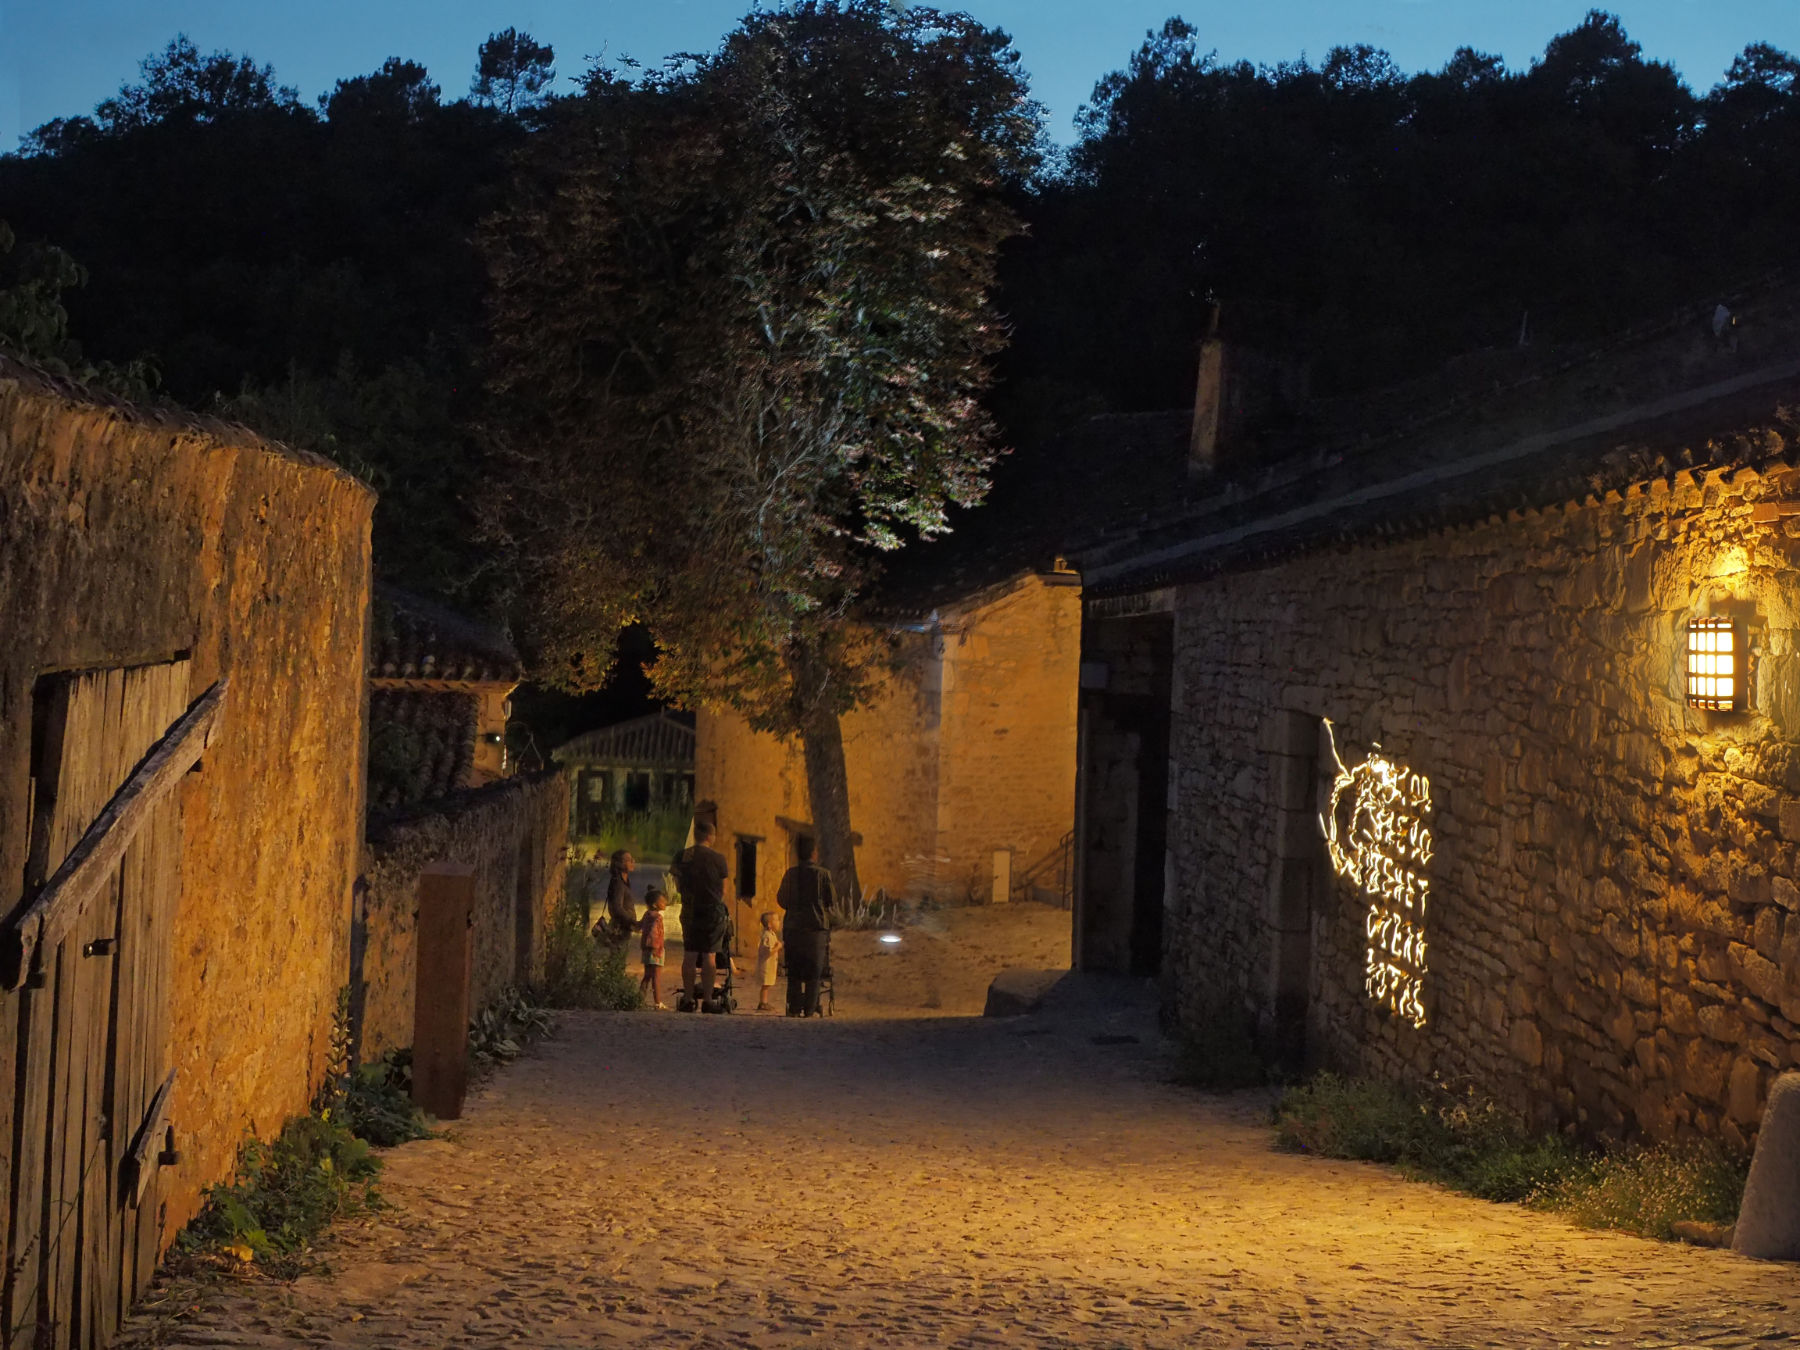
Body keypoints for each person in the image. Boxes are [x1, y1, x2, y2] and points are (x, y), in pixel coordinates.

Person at [671, 821, 730, 1008]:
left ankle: (688, 998)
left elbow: (677, 884)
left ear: (696, 835)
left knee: (689, 955)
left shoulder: (683, 856)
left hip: (690, 909)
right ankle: (707, 999)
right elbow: (724, 890)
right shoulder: (718, 858)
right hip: (712, 911)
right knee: (709, 956)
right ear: (710, 836)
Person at [776, 838, 834, 1017]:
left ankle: (794, 1007)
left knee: (794, 971)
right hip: (815, 929)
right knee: (814, 972)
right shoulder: (823, 875)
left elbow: (782, 900)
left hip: (793, 928)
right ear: (813, 853)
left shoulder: (790, 874)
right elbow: (831, 900)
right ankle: (810, 1008)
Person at [596, 849, 637, 947]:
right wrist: (631, 921)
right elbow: (617, 907)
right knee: (617, 955)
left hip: (625, 926)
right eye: (629, 860)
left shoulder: (624, 881)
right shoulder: (618, 883)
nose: (633, 861)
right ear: (619, 864)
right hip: (620, 927)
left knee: (618, 955)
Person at [639, 889, 668, 1009]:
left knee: (647, 976)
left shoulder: (647, 915)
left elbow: (639, 925)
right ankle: (658, 1002)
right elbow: (654, 934)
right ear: (655, 904)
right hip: (656, 950)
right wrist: (656, 949)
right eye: (662, 901)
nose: (665, 903)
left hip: (646, 950)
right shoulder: (657, 917)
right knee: (656, 976)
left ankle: (639, 999)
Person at [754, 911, 783, 1012]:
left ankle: (764, 1002)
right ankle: (763, 1002)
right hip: (766, 966)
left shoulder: (772, 934)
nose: (779, 922)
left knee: (767, 984)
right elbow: (768, 951)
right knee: (765, 985)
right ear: (770, 924)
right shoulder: (767, 936)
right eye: (776, 920)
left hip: (770, 965)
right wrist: (778, 947)